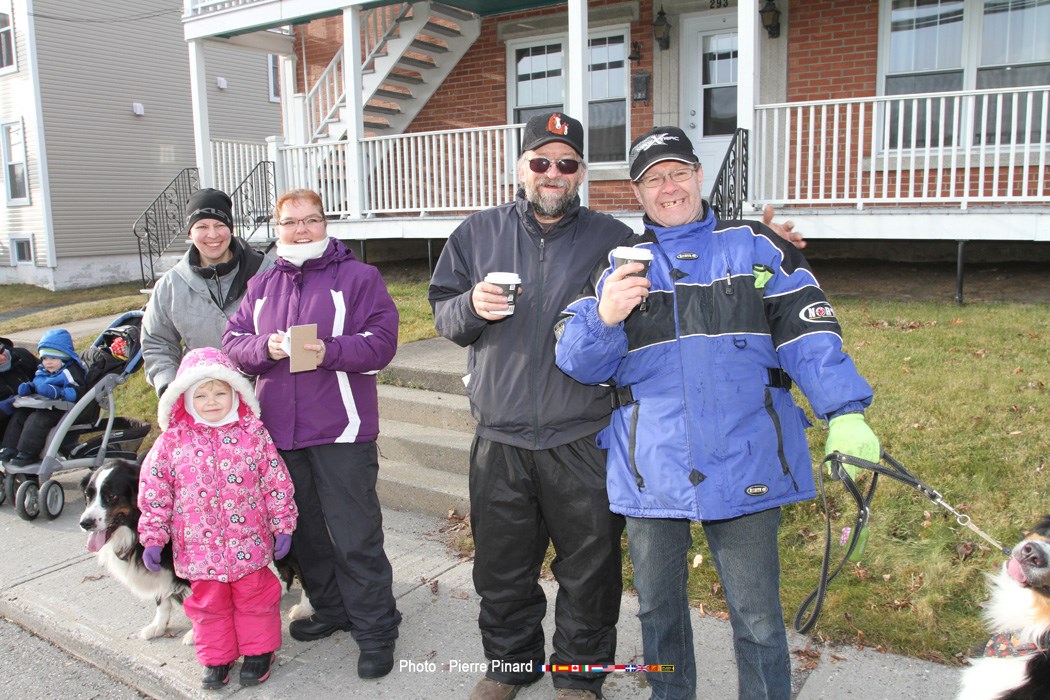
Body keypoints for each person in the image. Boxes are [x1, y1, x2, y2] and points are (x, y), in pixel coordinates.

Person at [429, 112, 808, 700]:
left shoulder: (613, 239)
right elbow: (443, 315)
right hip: (500, 436)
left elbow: (694, 257)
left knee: (590, 574)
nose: (553, 173)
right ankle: (509, 667)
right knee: (501, 572)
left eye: (567, 163)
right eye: (541, 162)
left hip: (581, 433)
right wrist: (471, 306)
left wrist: (766, 241)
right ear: (520, 168)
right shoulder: (475, 234)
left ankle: (579, 677)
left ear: (582, 174)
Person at [553, 126, 880, 700]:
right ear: (637, 192)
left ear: (699, 176)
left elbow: (809, 332)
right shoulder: (619, 265)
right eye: (654, 179)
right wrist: (604, 317)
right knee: (657, 611)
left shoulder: (755, 245)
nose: (669, 187)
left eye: (679, 172)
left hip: (746, 455)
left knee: (756, 615)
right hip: (650, 464)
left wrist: (845, 412)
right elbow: (577, 363)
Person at [223, 188, 401, 680]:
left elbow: (382, 342)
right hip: (279, 432)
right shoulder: (262, 285)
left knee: (354, 535)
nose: (301, 230)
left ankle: (376, 628)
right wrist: (267, 347)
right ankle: (331, 609)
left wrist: (330, 350)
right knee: (304, 535)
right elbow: (233, 342)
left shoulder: (359, 277)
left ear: (326, 224)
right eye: (290, 222)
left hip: (342, 430)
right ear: (277, 228)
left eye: (311, 220)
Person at [137, 346, 298, 690]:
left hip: (248, 542)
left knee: (254, 598)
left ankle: (259, 651)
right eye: (202, 394)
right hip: (199, 548)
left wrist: (282, 525)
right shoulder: (172, 442)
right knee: (209, 605)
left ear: (235, 393)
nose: (212, 401)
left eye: (220, 392)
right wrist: (152, 536)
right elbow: (154, 491)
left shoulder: (252, 434)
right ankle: (217, 656)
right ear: (185, 399)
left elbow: (276, 480)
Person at [141, 187, 272, 397]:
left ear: (231, 227)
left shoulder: (268, 274)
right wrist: (169, 387)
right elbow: (158, 342)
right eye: (202, 226)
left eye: (220, 225)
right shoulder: (171, 285)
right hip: (205, 405)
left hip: (264, 397)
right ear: (190, 231)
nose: (212, 235)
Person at [0, 329, 87, 467]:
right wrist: (29, 387)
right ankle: (10, 447)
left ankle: (28, 452)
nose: (48, 362)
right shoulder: (44, 370)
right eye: (45, 358)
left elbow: (77, 391)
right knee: (20, 415)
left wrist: (58, 392)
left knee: (36, 420)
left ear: (64, 357)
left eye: (53, 358)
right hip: (43, 405)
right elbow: (37, 382)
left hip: (61, 408)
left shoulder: (69, 371)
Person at [0, 337, 38, 439]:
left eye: (1, 350)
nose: (2, 357)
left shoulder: (22, 356)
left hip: (36, 412)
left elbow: (48, 374)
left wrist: (38, 386)